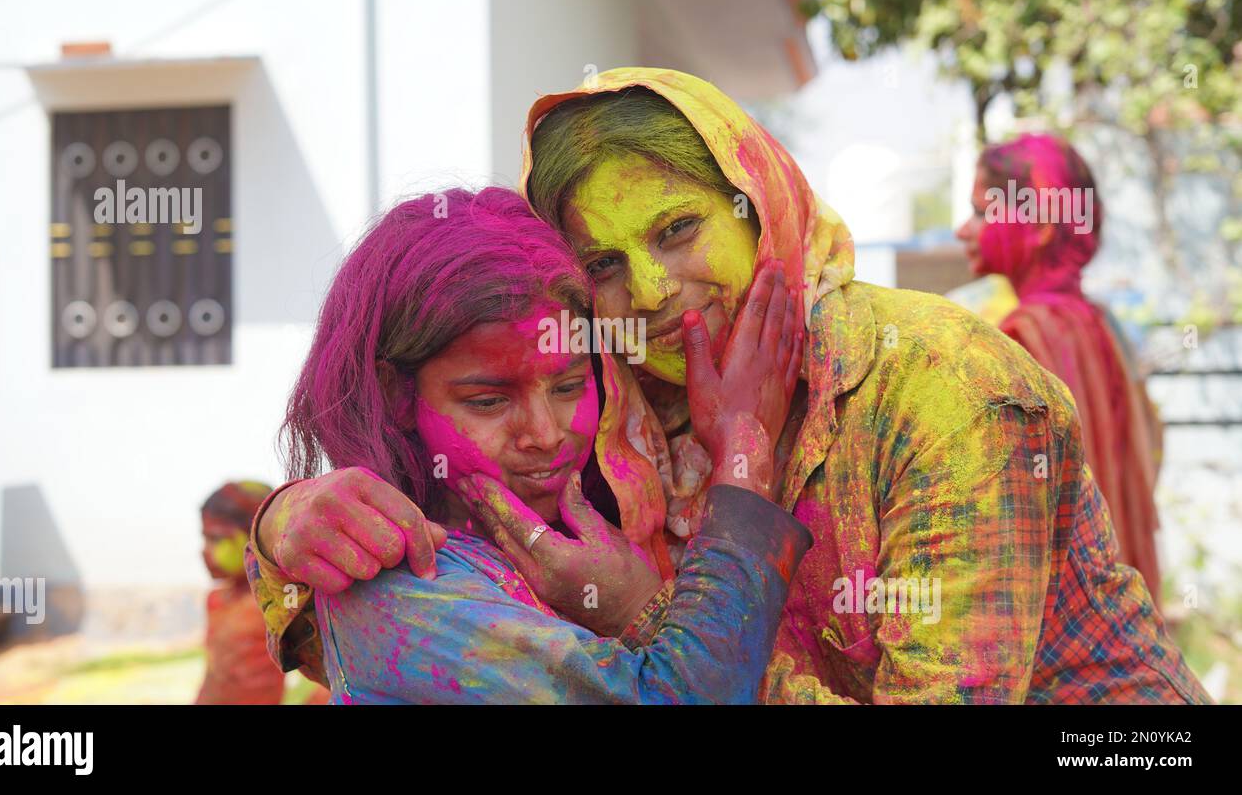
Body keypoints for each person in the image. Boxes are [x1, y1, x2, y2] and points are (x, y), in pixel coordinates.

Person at [256, 69, 1209, 704]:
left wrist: (646, 618)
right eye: (607, 262)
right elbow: (440, 599)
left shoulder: (937, 385)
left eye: (678, 229)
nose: (658, 291)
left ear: (761, 202)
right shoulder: (614, 410)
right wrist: (286, 523)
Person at [250, 187, 810, 703]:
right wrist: (742, 449)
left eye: (569, 386)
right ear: (397, 395)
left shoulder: (606, 517)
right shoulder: (403, 585)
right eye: (489, 402)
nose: (545, 435)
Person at [955, 133, 1164, 604]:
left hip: (1061, 619)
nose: (962, 230)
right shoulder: (1103, 327)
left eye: (983, 212)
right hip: (1121, 612)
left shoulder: (1021, 338)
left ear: (1040, 224)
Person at [196, 480, 286, 705]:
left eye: (217, 539)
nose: (205, 551)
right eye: (204, 538)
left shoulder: (278, 602)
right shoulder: (216, 600)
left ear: (256, 537)